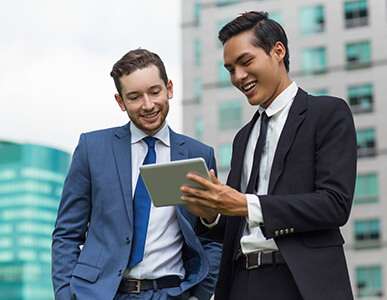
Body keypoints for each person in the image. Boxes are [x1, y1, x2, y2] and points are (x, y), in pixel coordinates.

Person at [181, 11, 357, 300]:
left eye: (246, 62)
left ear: (278, 51)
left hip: (301, 284)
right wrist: (212, 214)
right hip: (240, 283)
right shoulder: (242, 138)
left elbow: (335, 204)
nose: (238, 77)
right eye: (230, 69)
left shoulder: (328, 114)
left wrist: (246, 204)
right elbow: (238, 223)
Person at [52, 49, 222, 300]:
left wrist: (201, 293)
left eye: (155, 91)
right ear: (121, 102)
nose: (148, 105)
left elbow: (211, 237)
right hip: (101, 294)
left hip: (173, 293)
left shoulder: (199, 155)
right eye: (134, 97)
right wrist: (66, 295)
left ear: (169, 89)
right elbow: (66, 233)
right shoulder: (93, 149)